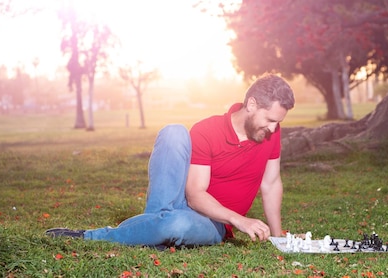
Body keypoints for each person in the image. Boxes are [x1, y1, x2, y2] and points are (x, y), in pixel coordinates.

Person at [46, 74, 295, 248]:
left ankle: (154, 230)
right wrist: (240, 219)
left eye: (278, 122)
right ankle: (102, 236)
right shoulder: (207, 130)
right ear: (252, 104)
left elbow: (271, 183)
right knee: (174, 131)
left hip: (213, 224)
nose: (274, 128)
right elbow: (195, 196)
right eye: (270, 119)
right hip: (183, 204)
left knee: (175, 222)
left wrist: (277, 236)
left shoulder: (270, 134)